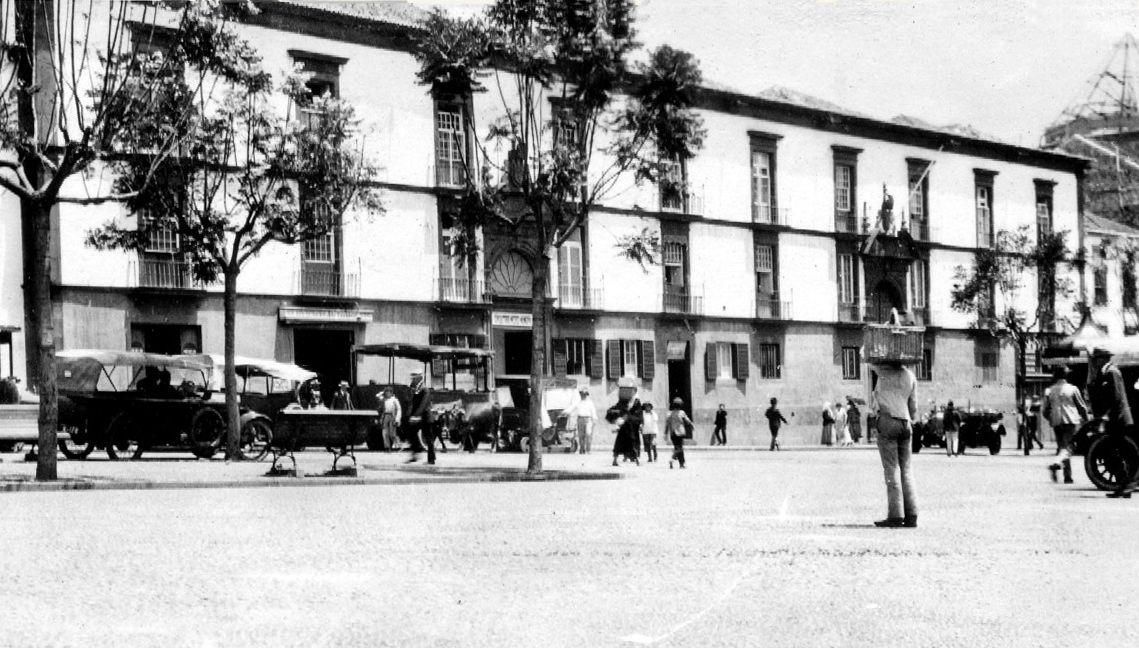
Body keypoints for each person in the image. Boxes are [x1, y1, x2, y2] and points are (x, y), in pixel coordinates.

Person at [869, 360, 919, 528]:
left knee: (891, 469)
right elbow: (914, 406)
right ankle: (912, 514)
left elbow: (866, 357)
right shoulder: (910, 375)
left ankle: (896, 515)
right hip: (906, 422)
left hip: (888, 419)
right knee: (907, 469)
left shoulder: (882, 372)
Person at [1086, 347, 1136, 498]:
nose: (1095, 362)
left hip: (1117, 418)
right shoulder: (1107, 372)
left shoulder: (1112, 372)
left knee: (1118, 452)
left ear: (1103, 359)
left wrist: (1108, 415)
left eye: (1097, 359)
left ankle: (1126, 486)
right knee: (1116, 452)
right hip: (1116, 417)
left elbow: (1116, 396)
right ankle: (1123, 487)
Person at [1042, 365, 1088, 484]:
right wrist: (1086, 419)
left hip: (1057, 422)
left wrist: (1051, 418)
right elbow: (1081, 406)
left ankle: (1067, 476)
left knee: (1062, 447)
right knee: (1069, 447)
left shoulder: (1049, 390)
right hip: (1071, 420)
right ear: (1067, 375)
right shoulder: (1073, 389)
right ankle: (1056, 464)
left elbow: (1045, 411)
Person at [405, 373, 434, 464]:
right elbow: (412, 404)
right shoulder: (416, 389)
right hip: (418, 416)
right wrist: (410, 414)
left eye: (414, 378)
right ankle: (416, 452)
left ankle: (431, 459)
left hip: (425, 416)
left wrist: (415, 415)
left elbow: (423, 405)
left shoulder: (425, 390)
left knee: (428, 438)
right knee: (410, 432)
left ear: (419, 378)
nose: (412, 380)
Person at [607, 397, 643, 466]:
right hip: (624, 430)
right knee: (619, 445)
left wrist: (627, 418)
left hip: (629, 429)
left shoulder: (634, 407)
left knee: (631, 445)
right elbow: (613, 412)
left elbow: (637, 418)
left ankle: (637, 460)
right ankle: (615, 460)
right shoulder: (621, 407)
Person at [562, 387, 597, 454]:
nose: (583, 395)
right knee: (581, 435)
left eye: (584, 394)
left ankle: (588, 450)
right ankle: (582, 449)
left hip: (588, 419)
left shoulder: (590, 403)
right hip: (580, 419)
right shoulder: (578, 402)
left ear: (586, 394)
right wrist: (565, 412)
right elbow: (571, 408)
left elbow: (593, 411)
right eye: (581, 394)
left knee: (588, 434)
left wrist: (594, 419)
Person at [666, 397, 693, 469]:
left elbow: (667, 424)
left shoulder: (669, 413)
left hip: (673, 433)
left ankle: (681, 464)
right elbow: (687, 421)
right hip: (680, 433)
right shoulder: (682, 413)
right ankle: (673, 458)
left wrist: (666, 433)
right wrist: (692, 425)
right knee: (680, 448)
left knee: (677, 448)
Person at [377, 387, 402, 451]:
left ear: (391, 393)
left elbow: (399, 409)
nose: (387, 393)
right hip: (385, 416)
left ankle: (398, 446)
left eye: (389, 392)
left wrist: (397, 419)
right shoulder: (383, 399)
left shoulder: (394, 400)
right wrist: (383, 392)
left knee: (392, 433)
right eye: (386, 392)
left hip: (392, 416)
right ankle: (387, 447)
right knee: (385, 432)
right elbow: (377, 396)